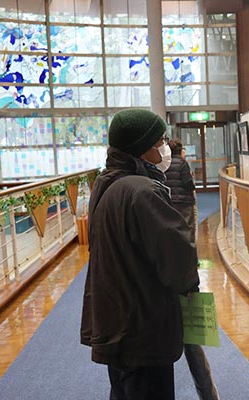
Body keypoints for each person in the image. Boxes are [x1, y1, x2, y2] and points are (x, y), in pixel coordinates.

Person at [81, 109, 200, 400]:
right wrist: (191, 288)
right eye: (160, 141)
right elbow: (177, 258)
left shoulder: (106, 184)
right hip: (144, 327)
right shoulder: (143, 191)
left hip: (116, 322)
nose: (164, 147)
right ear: (142, 148)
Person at [165, 139, 220, 400]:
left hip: (168, 273)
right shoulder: (183, 165)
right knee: (192, 341)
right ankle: (209, 395)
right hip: (184, 208)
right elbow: (189, 186)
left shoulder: (159, 174)